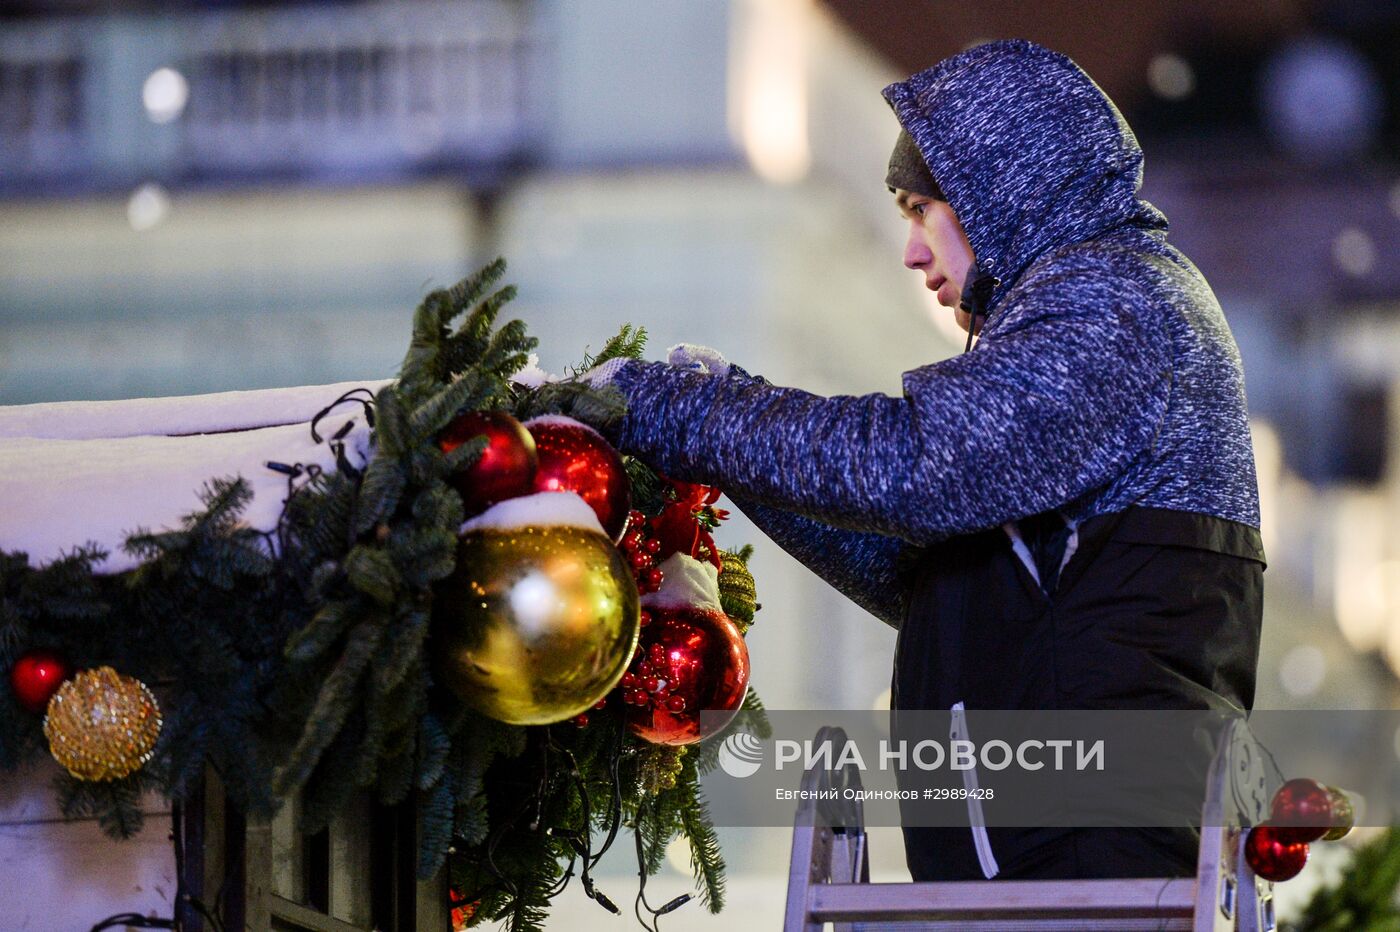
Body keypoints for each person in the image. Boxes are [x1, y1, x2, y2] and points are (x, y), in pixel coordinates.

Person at [586, 39, 1265, 882]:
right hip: (1063, 862)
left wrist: (672, 408)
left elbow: (912, 471)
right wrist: (726, 429)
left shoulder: (1112, 308)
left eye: (919, 210)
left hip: (1086, 873)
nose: (911, 253)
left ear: (998, 191)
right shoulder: (1115, 301)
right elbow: (921, 570)